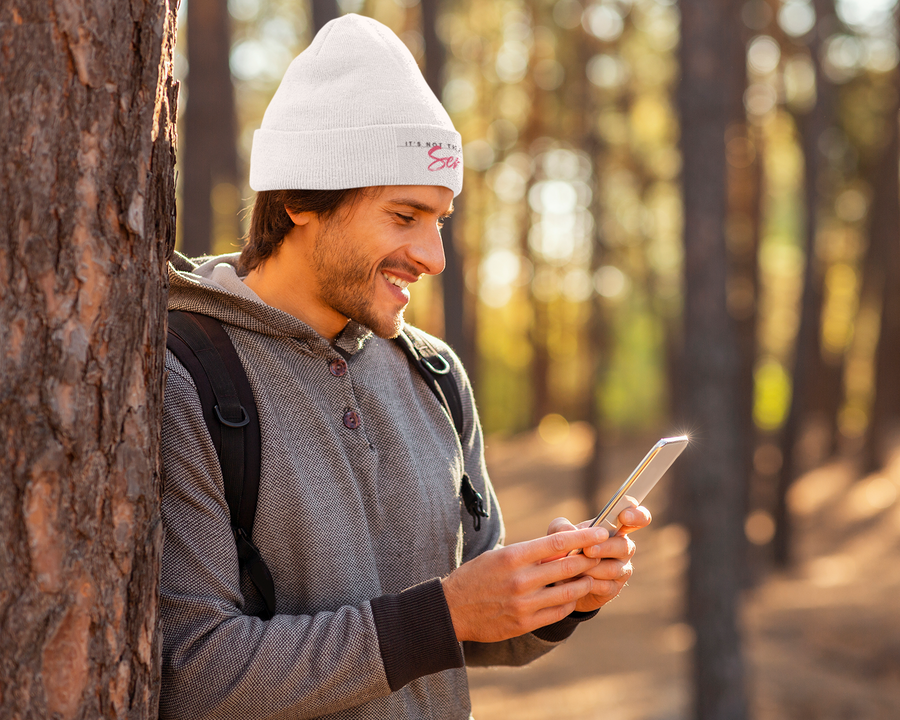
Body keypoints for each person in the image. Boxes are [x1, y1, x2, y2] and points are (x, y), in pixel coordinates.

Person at [159, 14, 651, 720]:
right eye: (404, 216)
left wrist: (555, 595)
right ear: (300, 198)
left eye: (440, 221)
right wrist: (444, 615)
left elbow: (467, 626)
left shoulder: (434, 375)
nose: (433, 256)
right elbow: (195, 673)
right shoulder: (189, 376)